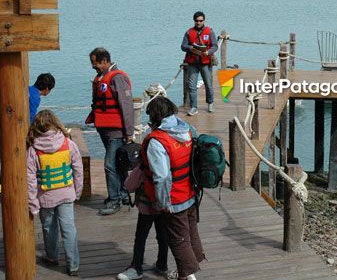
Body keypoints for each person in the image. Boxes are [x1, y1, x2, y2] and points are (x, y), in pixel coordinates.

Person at [142, 97, 205, 280]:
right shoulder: (187, 130)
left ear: (154, 116)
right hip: (191, 193)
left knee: (178, 240)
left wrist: (162, 202)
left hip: (174, 198)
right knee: (191, 233)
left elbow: (161, 176)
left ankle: (186, 276)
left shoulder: (157, 141)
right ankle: (191, 268)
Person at [26, 110, 83, 277]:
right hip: (66, 194)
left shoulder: (33, 149)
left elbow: (29, 180)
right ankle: (73, 265)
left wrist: (33, 203)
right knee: (69, 229)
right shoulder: (68, 143)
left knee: (49, 228)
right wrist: (77, 191)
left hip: (45, 197)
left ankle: (52, 257)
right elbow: (78, 169)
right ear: (56, 123)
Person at [86, 47, 134, 215]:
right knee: (118, 164)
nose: (94, 67)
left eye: (96, 64)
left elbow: (126, 106)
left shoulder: (117, 78)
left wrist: (129, 132)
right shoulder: (100, 78)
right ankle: (122, 193)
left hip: (116, 131)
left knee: (109, 165)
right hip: (104, 129)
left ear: (105, 61)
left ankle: (115, 200)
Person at [116, 164, 169, 280]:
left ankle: (137, 267)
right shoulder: (166, 162)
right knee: (163, 236)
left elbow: (129, 185)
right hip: (165, 205)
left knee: (141, 237)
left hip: (147, 206)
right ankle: (162, 264)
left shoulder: (143, 166)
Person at [181, 11, 218, 116]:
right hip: (192, 63)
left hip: (205, 63)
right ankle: (193, 107)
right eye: (197, 21)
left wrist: (208, 52)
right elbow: (183, 46)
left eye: (201, 21)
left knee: (208, 85)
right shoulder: (189, 32)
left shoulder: (209, 32)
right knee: (192, 86)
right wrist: (190, 48)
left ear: (204, 21)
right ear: (194, 21)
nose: (199, 23)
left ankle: (210, 103)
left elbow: (215, 46)